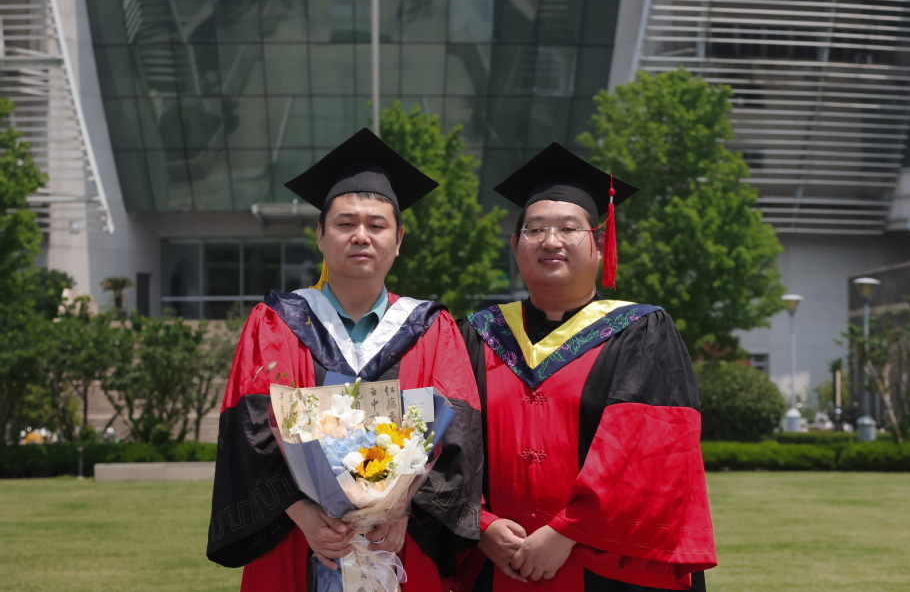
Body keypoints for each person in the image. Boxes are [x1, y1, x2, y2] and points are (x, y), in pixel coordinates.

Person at [207, 128, 482, 592]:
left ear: (398, 239)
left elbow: (460, 439)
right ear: (320, 236)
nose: (361, 236)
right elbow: (249, 430)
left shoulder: (432, 329)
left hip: (399, 544)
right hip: (296, 541)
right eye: (345, 223)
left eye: (377, 225)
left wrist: (404, 511)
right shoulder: (277, 323)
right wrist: (301, 513)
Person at [455, 143, 716, 591]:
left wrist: (565, 532)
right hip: (493, 562)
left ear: (599, 245)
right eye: (535, 229)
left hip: (604, 567)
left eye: (568, 228)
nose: (550, 240)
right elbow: (443, 441)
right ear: (515, 246)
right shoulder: (475, 335)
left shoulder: (640, 332)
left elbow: (650, 452)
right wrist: (479, 524)